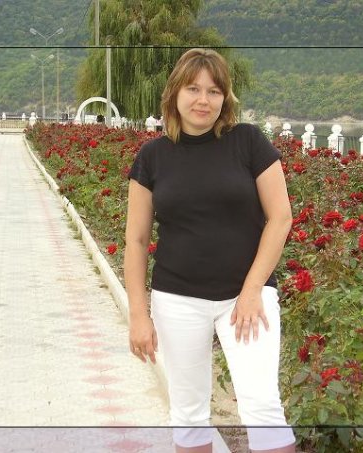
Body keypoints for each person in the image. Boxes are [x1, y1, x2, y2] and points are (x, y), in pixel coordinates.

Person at [125, 48, 296, 453]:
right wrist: (138, 314)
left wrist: (252, 290)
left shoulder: (248, 142)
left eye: (214, 91)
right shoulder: (152, 156)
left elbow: (280, 218)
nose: (203, 100)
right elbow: (136, 240)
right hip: (177, 299)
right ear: (175, 94)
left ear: (225, 98)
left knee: (263, 409)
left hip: (246, 298)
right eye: (193, 89)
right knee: (187, 414)